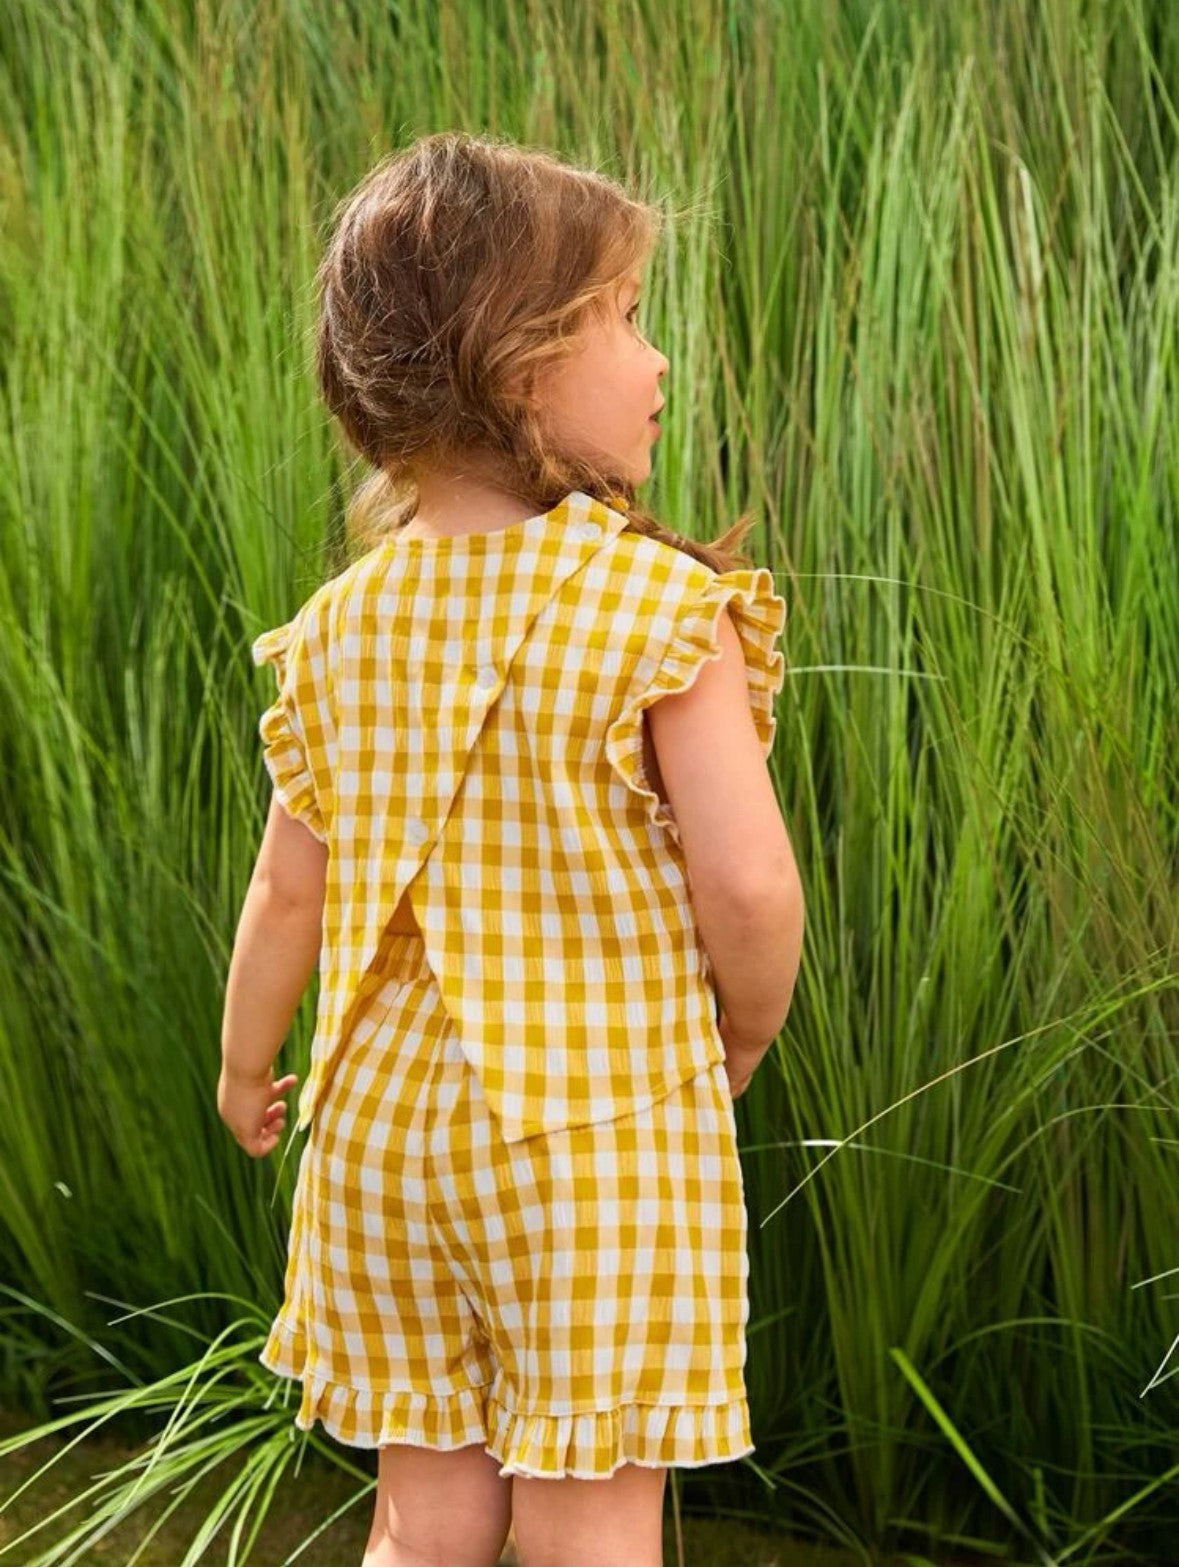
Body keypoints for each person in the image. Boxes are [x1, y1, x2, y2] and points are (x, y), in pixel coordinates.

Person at [218, 131, 805, 1567]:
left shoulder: (345, 627)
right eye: (624, 319)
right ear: (523, 360)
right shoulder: (653, 607)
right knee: (591, 1526)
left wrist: (244, 1064)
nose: (657, 360)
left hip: (377, 1136)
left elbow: (288, 887)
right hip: (595, 1128)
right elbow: (746, 879)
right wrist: (742, 1024)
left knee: (424, 1522)